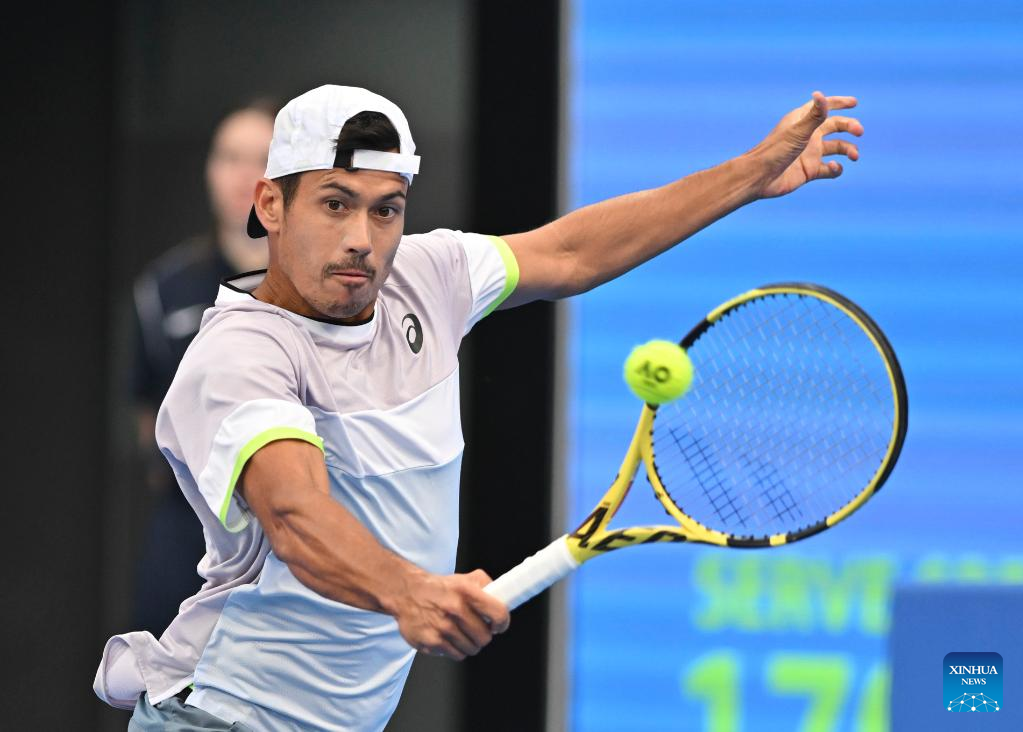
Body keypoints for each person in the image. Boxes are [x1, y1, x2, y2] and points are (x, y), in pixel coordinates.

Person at [96, 84, 862, 730]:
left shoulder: (424, 276)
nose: (362, 238)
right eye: (334, 204)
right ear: (271, 204)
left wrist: (750, 174)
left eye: (386, 210)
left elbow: (571, 252)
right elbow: (296, 515)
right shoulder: (241, 353)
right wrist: (410, 591)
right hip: (222, 718)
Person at [130, 99, 277, 635]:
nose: (244, 175)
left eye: (261, 158)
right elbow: (146, 409)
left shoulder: (324, 291)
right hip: (187, 532)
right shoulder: (164, 289)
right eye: (229, 157)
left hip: (287, 538)